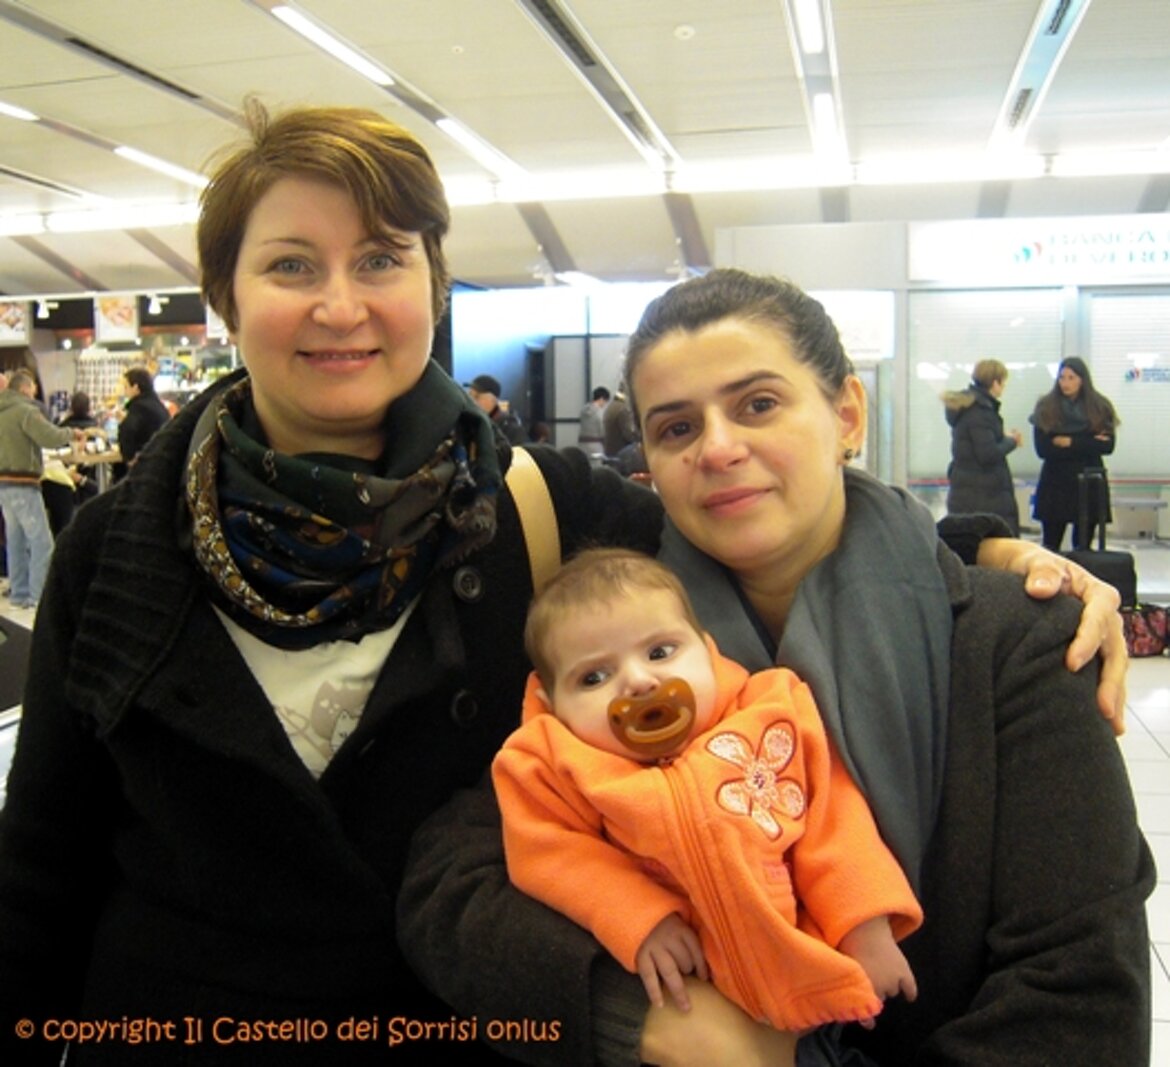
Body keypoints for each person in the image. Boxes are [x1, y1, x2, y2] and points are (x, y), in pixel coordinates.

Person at [0, 101, 1129, 1064]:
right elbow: (42, 865)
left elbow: (760, 520)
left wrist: (989, 549)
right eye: (292, 264)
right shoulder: (124, 546)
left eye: (382, 259)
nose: (342, 305)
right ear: (225, 295)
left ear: (432, 287)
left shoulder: (544, 508)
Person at [400, 270, 1149, 1066]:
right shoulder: (615, 648)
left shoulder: (1016, 641)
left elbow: (1080, 995)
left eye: (758, 404)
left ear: (846, 414)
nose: (719, 448)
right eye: (678, 428)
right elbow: (449, 885)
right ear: (648, 459)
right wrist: (655, 1020)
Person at [494, 547, 921, 1039]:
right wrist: (639, 918)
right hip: (692, 997)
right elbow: (549, 854)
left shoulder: (770, 714)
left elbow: (833, 818)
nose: (638, 681)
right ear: (552, 704)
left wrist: (864, 925)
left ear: (708, 650)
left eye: (660, 652)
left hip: (817, 976)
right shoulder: (554, 767)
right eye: (594, 677)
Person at [0, 370, 84, 610]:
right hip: (23, 482)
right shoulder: (25, 411)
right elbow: (49, 437)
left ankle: (19, 593)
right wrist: (71, 433)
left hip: (3, 483)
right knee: (41, 541)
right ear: (26, 389)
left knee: (15, 540)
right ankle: (39, 596)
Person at [1030, 356, 1119, 551]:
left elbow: (1107, 446)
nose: (1065, 383)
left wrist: (1070, 442)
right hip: (1056, 481)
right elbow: (1043, 449)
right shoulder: (1046, 407)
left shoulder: (1099, 406)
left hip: (1088, 480)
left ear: (1082, 379)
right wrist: (1089, 442)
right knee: (1050, 545)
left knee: (1084, 546)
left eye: (1071, 378)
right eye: (1062, 378)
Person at [942, 359, 1021, 535]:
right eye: (1003, 382)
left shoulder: (967, 407)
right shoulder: (981, 412)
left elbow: (977, 442)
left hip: (966, 490)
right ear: (995, 383)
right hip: (985, 494)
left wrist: (1002, 438)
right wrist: (1012, 441)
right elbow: (988, 454)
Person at [113, 365, 171, 480]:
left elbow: (128, 433)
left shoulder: (138, 408)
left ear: (135, 387)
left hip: (145, 465)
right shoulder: (158, 405)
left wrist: (129, 458)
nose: (125, 392)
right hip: (162, 462)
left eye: (126, 387)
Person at [468, 372, 527, 445]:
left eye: (477, 397)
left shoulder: (510, 428)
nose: (472, 401)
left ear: (493, 399)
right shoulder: (469, 425)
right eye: (469, 396)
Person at [578, 385, 610, 460]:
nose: (604, 404)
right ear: (601, 399)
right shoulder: (599, 413)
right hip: (596, 446)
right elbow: (602, 430)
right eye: (605, 401)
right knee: (596, 468)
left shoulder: (583, 410)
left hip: (582, 445)